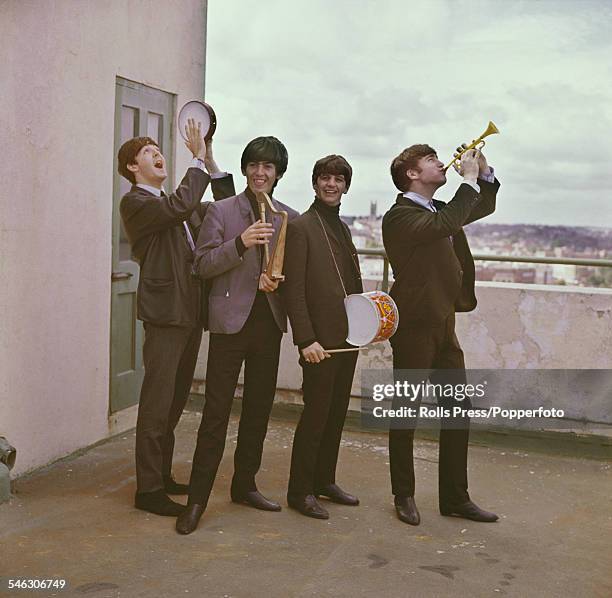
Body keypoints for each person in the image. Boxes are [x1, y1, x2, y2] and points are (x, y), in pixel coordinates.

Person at [176, 136, 299, 535]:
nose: (261, 172)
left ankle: (245, 485)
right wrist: (240, 243)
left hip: (269, 325)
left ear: (279, 173)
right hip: (230, 324)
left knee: (259, 413)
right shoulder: (221, 210)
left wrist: (275, 282)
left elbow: (294, 276)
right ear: (245, 169)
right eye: (254, 165)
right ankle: (196, 500)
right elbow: (202, 265)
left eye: (269, 167)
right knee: (215, 414)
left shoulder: (289, 217)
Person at [118, 120, 235, 517]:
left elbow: (221, 206)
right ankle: (148, 490)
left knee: (173, 402)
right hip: (165, 315)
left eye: (157, 148)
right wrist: (196, 161)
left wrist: (212, 162)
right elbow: (181, 205)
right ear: (133, 167)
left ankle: (161, 476)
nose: (158, 154)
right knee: (156, 403)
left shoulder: (175, 203)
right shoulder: (138, 203)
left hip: (188, 314)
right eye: (148, 152)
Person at [381, 143, 500, 526]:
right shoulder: (399, 216)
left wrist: (483, 174)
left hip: (443, 323)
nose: (440, 163)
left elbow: (481, 206)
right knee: (406, 415)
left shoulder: (439, 210)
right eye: (431, 161)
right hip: (414, 326)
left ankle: (455, 497)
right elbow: (445, 225)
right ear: (412, 174)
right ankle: (404, 494)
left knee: (457, 413)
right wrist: (466, 179)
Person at [282, 155, 362, 520]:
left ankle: (324, 481)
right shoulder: (301, 226)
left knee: (335, 415)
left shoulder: (341, 227)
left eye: (338, 179)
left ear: (346, 185)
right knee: (316, 416)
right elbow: (293, 291)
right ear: (315, 183)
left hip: (347, 339)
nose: (332, 184)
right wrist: (305, 340)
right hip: (319, 344)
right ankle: (300, 491)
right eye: (325, 178)